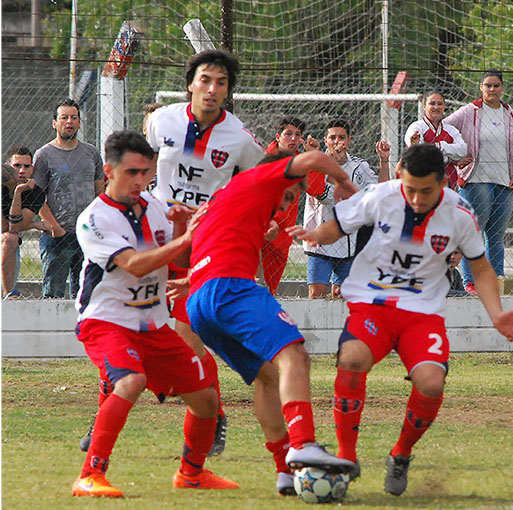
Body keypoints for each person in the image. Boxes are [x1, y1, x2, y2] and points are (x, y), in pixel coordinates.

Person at [287, 143, 513, 496]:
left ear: (443, 184)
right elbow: (338, 223)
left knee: (431, 383)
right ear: (399, 175)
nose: (415, 198)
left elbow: (480, 266)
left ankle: (400, 455)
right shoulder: (380, 195)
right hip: (373, 303)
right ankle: (347, 457)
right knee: (352, 359)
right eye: (409, 188)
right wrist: (315, 236)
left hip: (422, 312)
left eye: (426, 191)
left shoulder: (460, 213)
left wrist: (497, 313)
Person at [72, 130, 237, 498]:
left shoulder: (157, 207)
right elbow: (132, 265)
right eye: (132, 172)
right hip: (107, 322)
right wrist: (183, 238)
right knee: (130, 382)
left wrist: (180, 229)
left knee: (207, 400)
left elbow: (178, 262)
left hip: (153, 323)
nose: (140, 181)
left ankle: (191, 474)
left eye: (146, 172)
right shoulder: (95, 218)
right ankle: (89, 475)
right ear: (109, 171)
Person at [186, 150, 358, 495]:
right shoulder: (261, 178)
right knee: (294, 355)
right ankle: (303, 442)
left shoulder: (226, 196)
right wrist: (344, 183)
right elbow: (313, 158)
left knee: (267, 376)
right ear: (281, 177)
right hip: (230, 286)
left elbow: (197, 242)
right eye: (291, 194)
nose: (285, 204)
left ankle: (283, 469)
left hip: (199, 299)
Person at [145, 49, 265, 457]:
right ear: (190, 84)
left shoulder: (241, 139)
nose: (212, 89)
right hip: (156, 237)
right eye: (205, 80)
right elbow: (137, 164)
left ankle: (212, 418)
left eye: (221, 83)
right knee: (128, 325)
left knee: (189, 338)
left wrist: (242, 217)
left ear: (228, 91)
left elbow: (259, 186)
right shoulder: (161, 121)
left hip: (204, 242)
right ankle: (104, 417)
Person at [445, 70, 513, 295]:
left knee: (496, 237)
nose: (491, 90)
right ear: (480, 87)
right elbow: (442, 129)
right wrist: (455, 156)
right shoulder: (468, 112)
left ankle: (496, 281)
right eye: (487, 85)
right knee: (472, 233)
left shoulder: (511, 114)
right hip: (476, 181)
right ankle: (471, 283)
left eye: (496, 86)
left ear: (502, 88)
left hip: (505, 183)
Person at [303, 119, 390, 298]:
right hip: (320, 244)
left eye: (341, 137)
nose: (337, 142)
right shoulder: (316, 164)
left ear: (349, 141)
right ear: (326, 140)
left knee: (343, 295)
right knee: (317, 294)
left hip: (348, 243)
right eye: (332, 137)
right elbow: (326, 197)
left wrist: (384, 162)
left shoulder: (359, 166)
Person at [33, 97, 105, 299]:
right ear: (54, 123)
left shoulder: (91, 153)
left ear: (79, 122)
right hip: (58, 236)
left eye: (74, 118)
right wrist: (55, 227)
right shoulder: (44, 155)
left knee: (86, 297)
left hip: (87, 235)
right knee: (53, 297)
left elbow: (100, 192)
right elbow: (37, 198)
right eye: (64, 117)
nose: (69, 122)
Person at [261, 116, 322, 295]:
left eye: (298, 134)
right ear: (278, 136)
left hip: (282, 238)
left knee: (269, 292)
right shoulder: (263, 158)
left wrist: (313, 157)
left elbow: (317, 189)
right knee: (250, 287)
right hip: (259, 233)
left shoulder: (301, 162)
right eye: (288, 134)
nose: (294, 139)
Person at [1, 147, 50, 298]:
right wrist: (35, 224)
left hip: (6, 245)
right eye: (17, 166)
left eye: (26, 166)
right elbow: (3, 226)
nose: (22, 171)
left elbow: (15, 227)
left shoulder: (35, 192)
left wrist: (17, 193)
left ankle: (7, 294)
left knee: (10, 238)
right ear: (7, 166)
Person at [404, 90, 467, 190]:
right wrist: (450, 159)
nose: (436, 107)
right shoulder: (416, 127)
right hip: (423, 180)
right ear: (424, 106)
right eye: (432, 103)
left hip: (450, 181)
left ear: (444, 107)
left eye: (440, 104)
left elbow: (463, 150)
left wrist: (439, 146)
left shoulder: (450, 129)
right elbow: (420, 155)